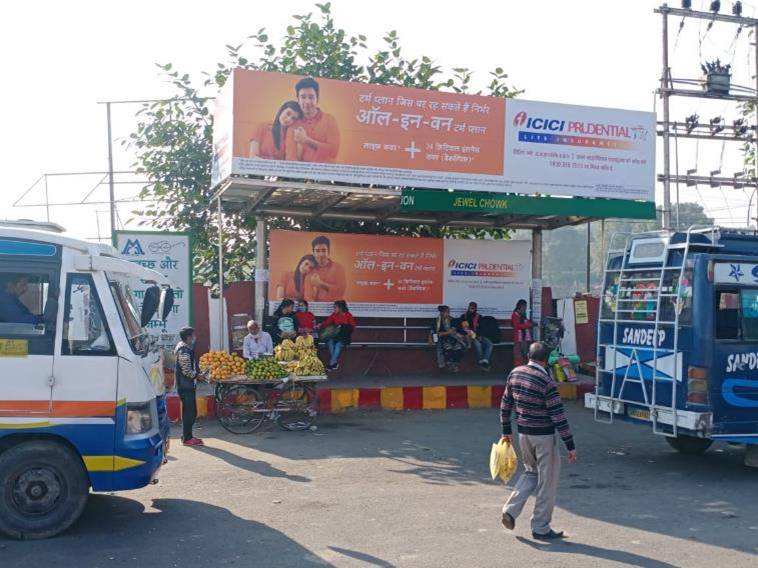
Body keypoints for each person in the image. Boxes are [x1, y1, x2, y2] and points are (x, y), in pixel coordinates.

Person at [500, 341, 577, 540]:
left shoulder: (515, 373)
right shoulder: (546, 382)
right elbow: (558, 416)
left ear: (530, 356)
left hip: (523, 434)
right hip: (543, 436)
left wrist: (506, 431)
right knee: (547, 482)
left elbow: (505, 403)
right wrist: (570, 444)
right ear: (545, 360)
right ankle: (540, 527)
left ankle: (510, 510)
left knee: (530, 473)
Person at [285, 77, 340, 163]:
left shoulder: (329, 120)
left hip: (326, 174)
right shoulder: (293, 124)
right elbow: (291, 159)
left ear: (317, 99)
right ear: (298, 100)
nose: (307, 101)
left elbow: (333, 151)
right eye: (303, 97)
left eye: (311, 97)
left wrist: (306, 140)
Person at [174, 327, 205, 447]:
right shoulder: (184, 351)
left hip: (187, 385)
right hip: (185, 386)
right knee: (190, 412)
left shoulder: (184, 348)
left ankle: (187, 436)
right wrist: (198, 376)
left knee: (189, 412)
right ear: (188, 337)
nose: (194, 337)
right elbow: (186, 370)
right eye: (193, 335)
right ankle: (187, 438)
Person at [306, 235, 347, 302]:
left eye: (324, 250)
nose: (321, 254)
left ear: (329, 252)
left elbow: (340, 291)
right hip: (316, 308)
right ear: (313, 253)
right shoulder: (310, 270)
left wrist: (320, 284)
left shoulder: (338, 267)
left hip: (334, 308)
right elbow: (307, 296)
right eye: (317, 251)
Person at [318, 300, 356, 371]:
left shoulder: (348, 315)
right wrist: (321, 325)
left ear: (340, 308)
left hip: (344, 336)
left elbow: (353, 326)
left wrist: (343, 326)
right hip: (335, 335)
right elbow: (327, 322)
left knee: (338, 345)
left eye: (335, 307)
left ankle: (331, 363)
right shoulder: (334, 315)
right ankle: (334, 362)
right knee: (329, 342)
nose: (334, 309)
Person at [460, 302, 493, 369]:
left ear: (475, 309)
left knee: (489, 344)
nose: (471, 310)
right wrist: (475, 336)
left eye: (473, 308)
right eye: (470, 308)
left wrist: (480, 336)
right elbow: (466, 329)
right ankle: (481, 362)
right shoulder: (464, 317)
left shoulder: (479, 317)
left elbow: (482, 328)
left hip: (479, 336)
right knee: (478, 345)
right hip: (469, 337)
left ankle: (485, 361)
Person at [433, 305, 465, 372]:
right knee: (448, 348)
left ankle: (455, 365)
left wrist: (442, 333)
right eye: (446, 312)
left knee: (458, 348)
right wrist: (431, 339)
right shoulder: (437, 321)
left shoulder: (452, 320)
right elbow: (433, 331)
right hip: (443, 339)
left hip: (453, 338)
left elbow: (452, 331)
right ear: (441, 312)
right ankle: (449, 365)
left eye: (448, 312)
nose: (448, 313)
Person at [511, 299, 534, 367]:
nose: (525, 308)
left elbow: (526, 321)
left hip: (525, 337)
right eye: (524, 306)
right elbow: (516, 326)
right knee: (518, 355)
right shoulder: (515, 314)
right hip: (519, 337)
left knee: (525, 354)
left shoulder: (523, 314)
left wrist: (531, 323)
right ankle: (518, 368)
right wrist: (528, 325)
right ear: (520, 306)